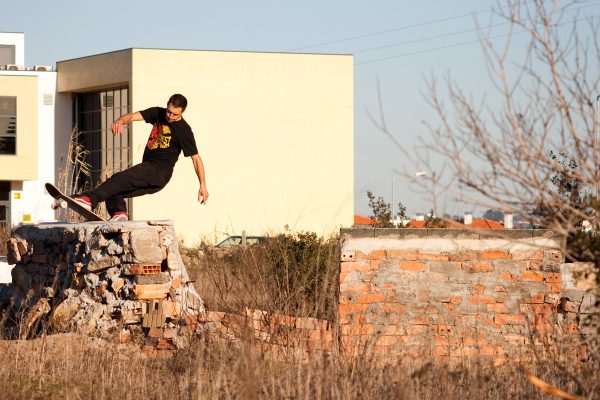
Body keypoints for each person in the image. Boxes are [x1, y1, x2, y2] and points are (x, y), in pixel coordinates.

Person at [73, 93, 209, 221]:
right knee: (115, 187)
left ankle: (89, 199)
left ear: (182, 112)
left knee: (119, 179)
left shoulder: (184, 130)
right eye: (169, 111)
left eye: (175, 114)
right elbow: (132, 116)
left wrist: (202, 185)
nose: (170, 116)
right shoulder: (158, 113)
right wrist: (120, 121)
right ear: (167, 106)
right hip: (150, 170)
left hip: (159, 171)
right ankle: (119, 213)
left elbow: (196, 160)